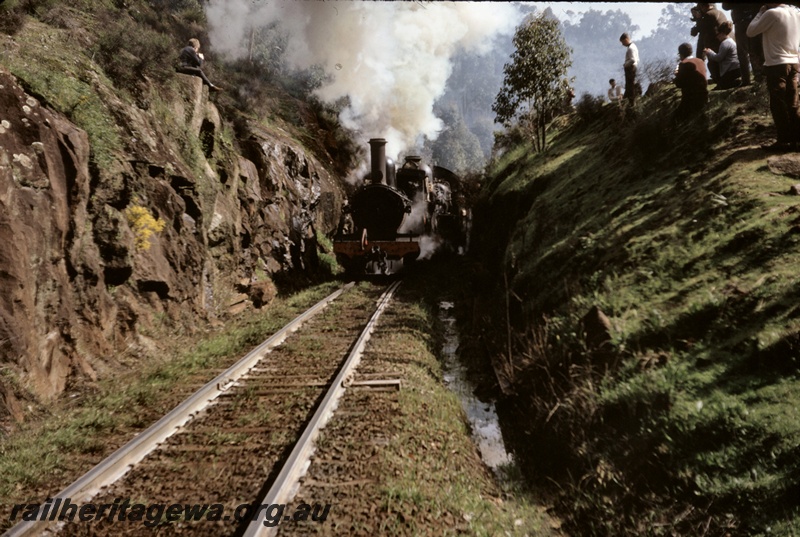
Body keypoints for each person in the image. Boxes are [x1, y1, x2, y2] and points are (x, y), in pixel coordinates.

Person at [747, 4, 800, 152]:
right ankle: (797, 139)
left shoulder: (772, 14)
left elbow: (750, 31)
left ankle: (784, 141)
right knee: (793, 103)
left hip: (777, 64)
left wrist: (760, 12)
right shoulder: (796, 13)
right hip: (793, 61)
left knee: (778, 103)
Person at [722, 3, 765, 85]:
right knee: (753, 50)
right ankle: (758, 76)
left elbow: (726, 6)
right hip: (751, 19)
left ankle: (748, 79)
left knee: (744, 52)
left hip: (741, 21)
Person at [674, 42, 709, 122]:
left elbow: (679, 84)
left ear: (681, 54)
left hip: (691, 98)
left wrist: (677, 75)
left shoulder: (683, 64)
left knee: (677, 119)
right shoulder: (700, 61)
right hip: (704, 95)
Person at [695, 3, 729, 84]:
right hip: (723, 42)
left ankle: (719, 82)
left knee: (712, 64)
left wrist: (698, 18)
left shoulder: (708, 15)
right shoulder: (720, 13)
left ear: (703, 7)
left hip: (714, 43)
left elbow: (701, 28)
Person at [705, 21, 742, 89]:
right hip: (736, 68)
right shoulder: (731, 41)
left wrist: (709, 53)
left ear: (722, 33)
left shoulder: (725, 43)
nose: (717, 37)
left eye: (718, 34)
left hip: (731, 70)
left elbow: (719, 58)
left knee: (711, 64)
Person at [619, 33, 639, 105]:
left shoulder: (631, 48)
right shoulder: (633, 46)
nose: (622, 44)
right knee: (629, 85)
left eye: (623, 42)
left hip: (630, 68)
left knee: (630, 85)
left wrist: (625, 64)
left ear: (626, 39)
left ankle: (631, 102)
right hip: (632, 67)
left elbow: (633, 59)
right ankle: (628, 100)